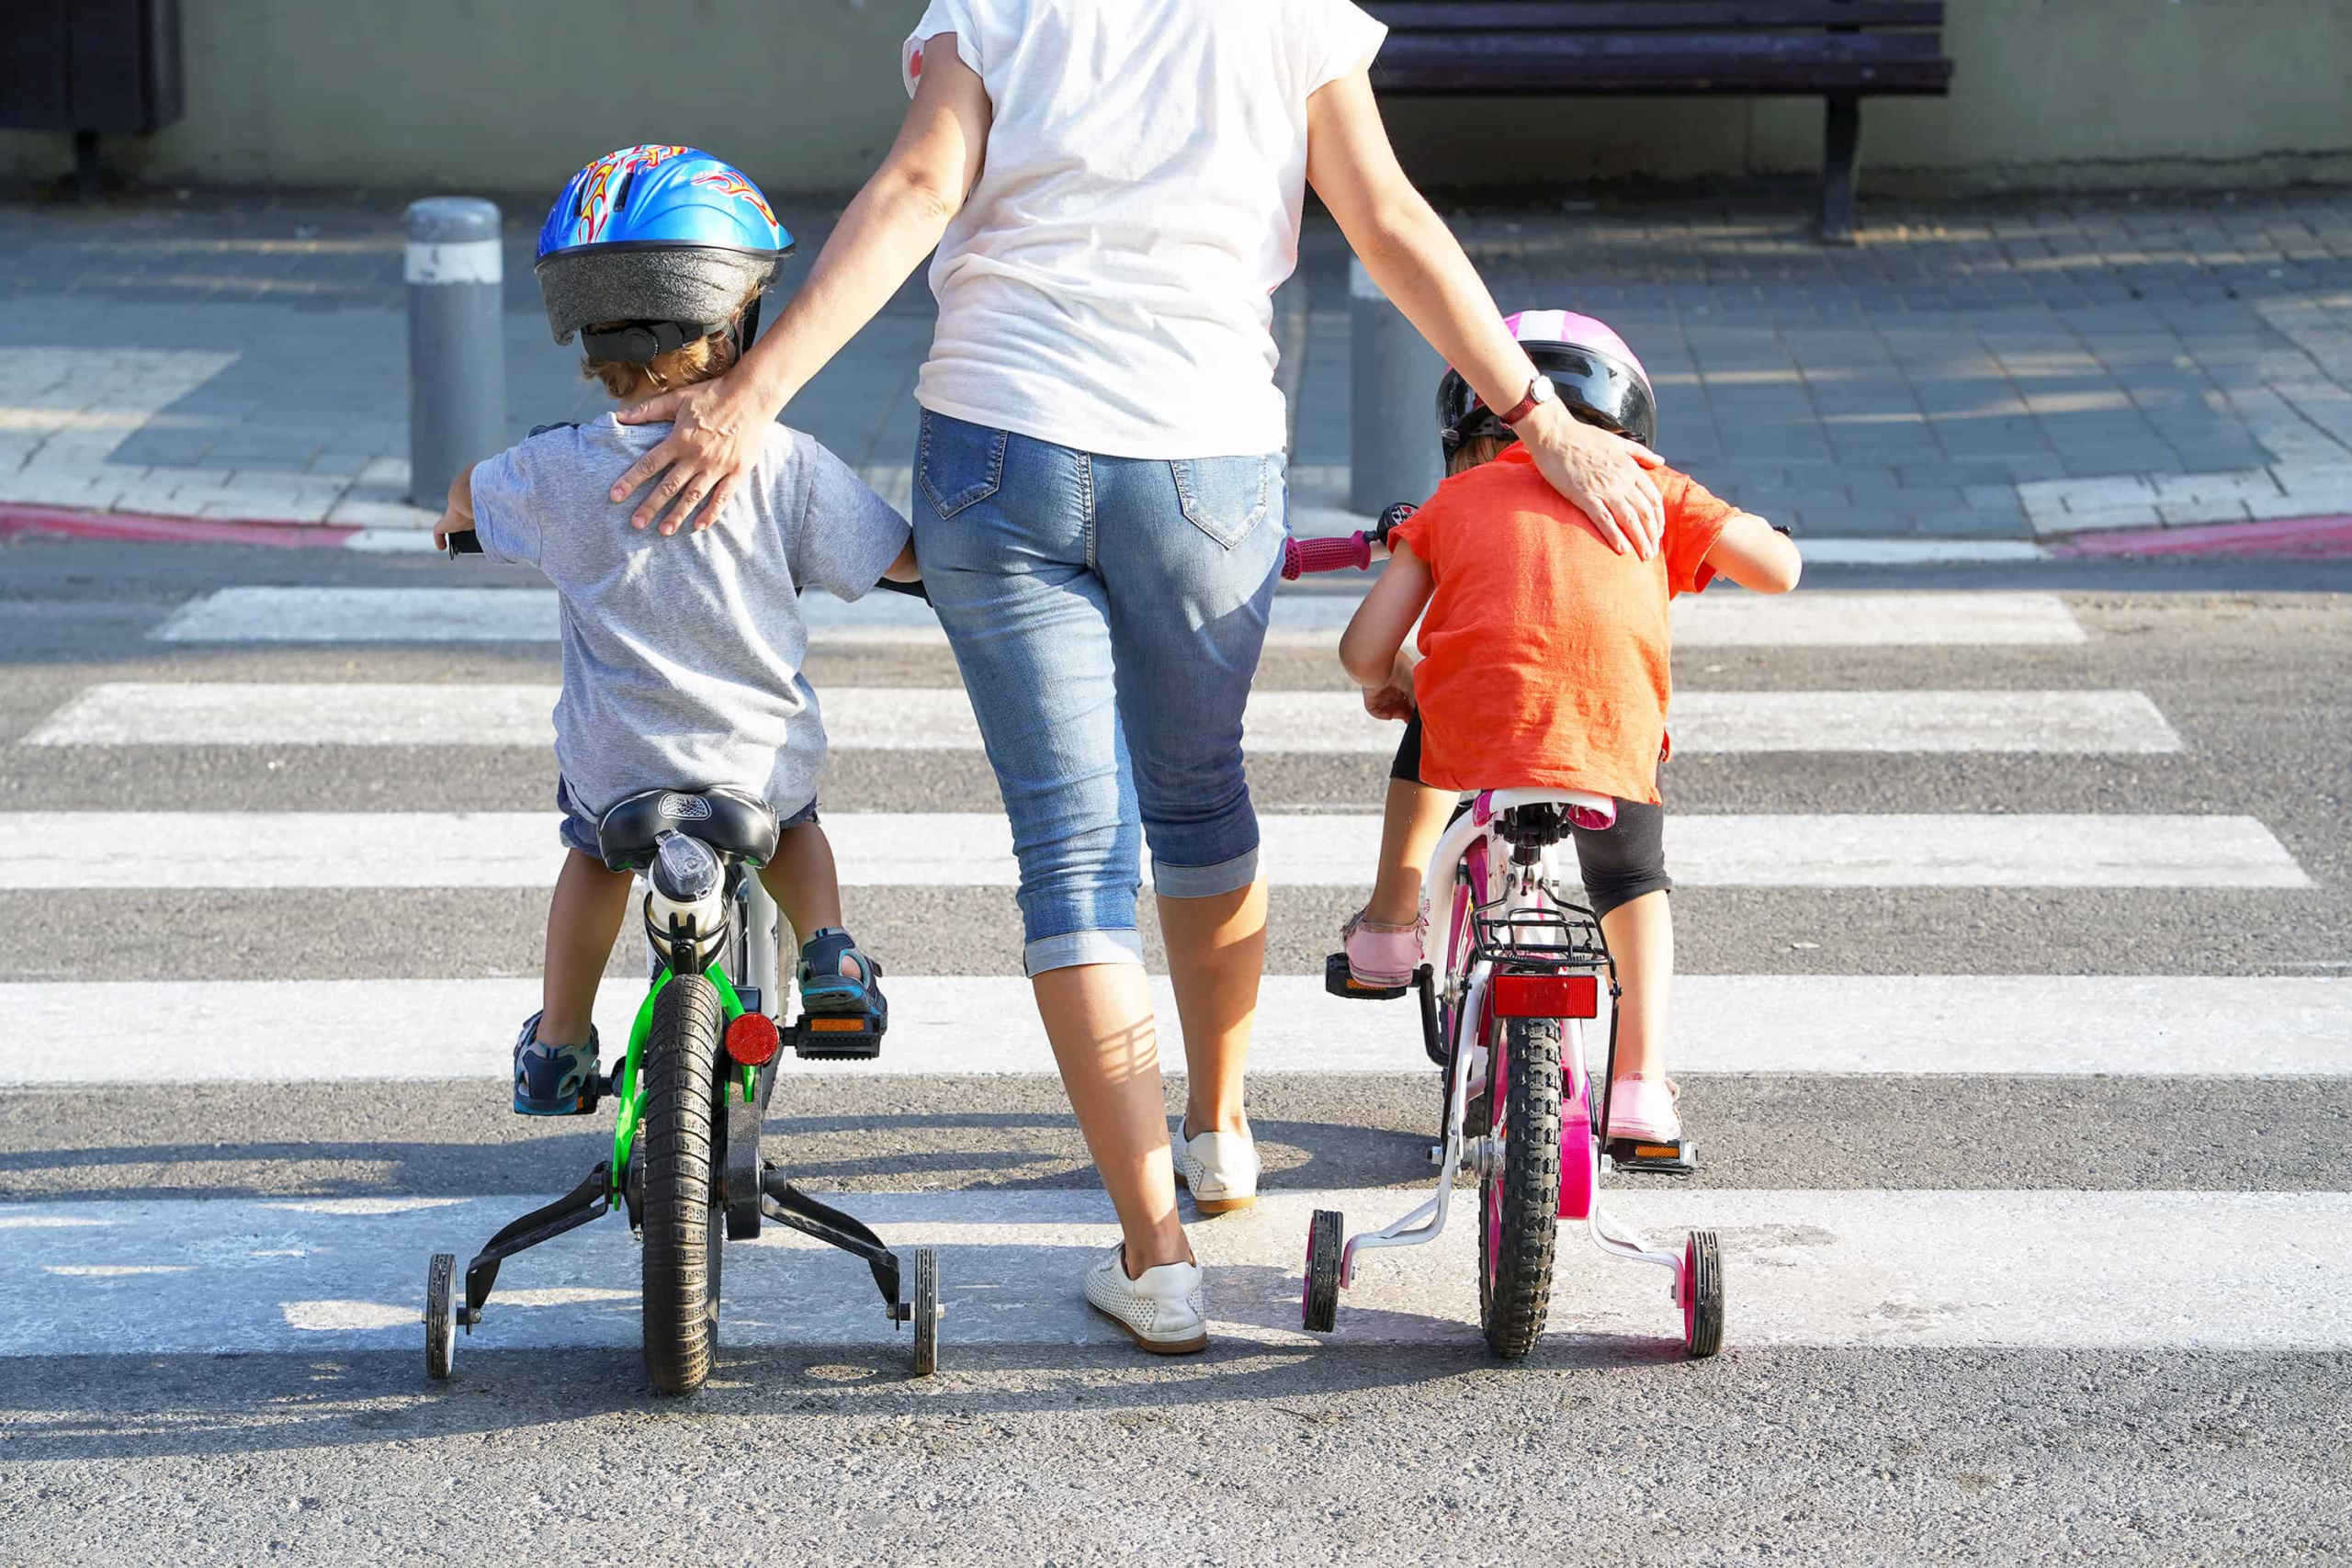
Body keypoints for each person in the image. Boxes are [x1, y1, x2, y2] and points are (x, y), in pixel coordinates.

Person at [598, 3, 1669, 1355]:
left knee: (1071, 847)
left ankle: (1156, 1256)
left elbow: (922, 186)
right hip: (1204, 457)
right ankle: (1220, 1132)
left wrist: (753, 392)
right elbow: (1387, 219)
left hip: (999, 442)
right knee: (1199, 792)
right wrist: (1540, 416)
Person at [430, 145, 918, 1115]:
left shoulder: (555, 471)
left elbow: (458, 502)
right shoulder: (783, 462)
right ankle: (828, 956)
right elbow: (895, 557)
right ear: (739, 313)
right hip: (752, 765)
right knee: (797, 825)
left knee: (589, 857)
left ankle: (559, 1043)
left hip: (621, 771)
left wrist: (459, 522)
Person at [1337, 310, 1803, 1159]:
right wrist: (1765, 535)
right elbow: (1778, 573)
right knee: (1633, 879)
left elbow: (1362, 652)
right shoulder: (1650, 483)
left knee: (1433, 718)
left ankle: (1388, 926)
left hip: (1474, 737)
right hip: (1610, 743)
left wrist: (1401, 681)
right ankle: (1637, 1087)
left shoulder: (1450, 502)